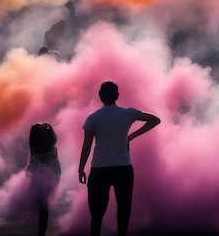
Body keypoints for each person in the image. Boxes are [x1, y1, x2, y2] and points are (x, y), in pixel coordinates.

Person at [78, 81, 161, 236]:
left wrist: (81, 168)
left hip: (99, 169)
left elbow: (87, 146)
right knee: (124, 210)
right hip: (123, 168)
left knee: (96, 214)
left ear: (100, 96)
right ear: (117, 95)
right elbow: (155, 120)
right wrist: (131, 136)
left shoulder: (93, 117)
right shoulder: (128, 113)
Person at [27, 122, 61, 236]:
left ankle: (41, 232)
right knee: (43, 205)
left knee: (42, 205)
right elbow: (56, 169)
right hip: (46, 178)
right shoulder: (51, 151)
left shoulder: (36, 150)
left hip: (40, 178)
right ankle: (41, 231)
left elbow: (30, 168)